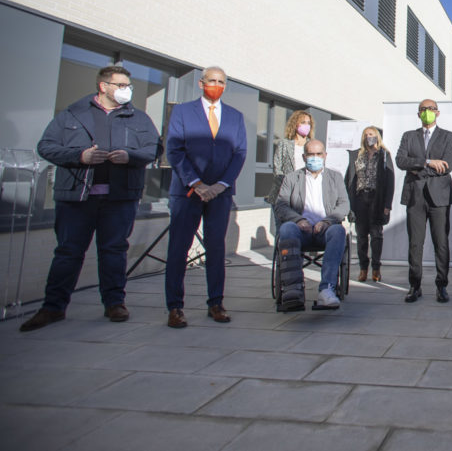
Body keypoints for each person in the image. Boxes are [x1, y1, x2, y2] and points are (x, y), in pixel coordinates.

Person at [20, 66, 162, 331]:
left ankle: (114, 303)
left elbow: (154, 148)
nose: (126, 90)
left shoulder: (138, 118)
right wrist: (80, 156)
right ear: (103, 86)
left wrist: (129, 156)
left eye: (127, 85)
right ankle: (53, 307)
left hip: (120, 198)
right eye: (120, 85)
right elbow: (46, 146)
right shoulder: (73, 114)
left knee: (114, 251)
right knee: (68, 252)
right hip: (77, 198)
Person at [163, 66, 247, 329]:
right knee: (179, 248)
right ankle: (175, 307)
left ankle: (216, 302)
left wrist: (221, 185)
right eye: (212, 80)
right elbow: (174, 150)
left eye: (221, 81)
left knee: (216, 248)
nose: (216, 85)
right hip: (188, 192)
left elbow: (240, 153)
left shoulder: (235, 116)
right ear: (201, 83)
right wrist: (197, 183)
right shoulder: (183, 112)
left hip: (220, 194)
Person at [274, 139, 349, 309]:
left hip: (325, 230)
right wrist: (299, 220)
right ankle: (293, 288)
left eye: (318, 154)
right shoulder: (292, 178)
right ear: (304, 156)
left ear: (325, 156)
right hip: (301, 231)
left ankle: (327, 289)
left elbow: (344, 204)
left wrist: (326, 221)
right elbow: (281, 205)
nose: (314, 158)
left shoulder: (335, 177)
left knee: (338, 231)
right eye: (311, 154)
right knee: (286, 228)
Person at [395, 100, 452, 303]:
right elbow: (401, 161)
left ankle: (442, 286)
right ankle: (415, 285)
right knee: (415, 243)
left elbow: (448, 165)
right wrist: (428, 162)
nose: (427, 112)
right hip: (415, 196)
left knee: (441, 243)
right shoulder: (409, 136)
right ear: (418, 113)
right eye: (423, 109)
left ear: (437, 113)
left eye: (430, 109)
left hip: (439, 197)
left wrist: (417, 168)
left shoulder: (448, 136)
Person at [345, 126, 394, 282]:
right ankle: (363, 268)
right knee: (361, 237)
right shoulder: (357, 155)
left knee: (376, 236)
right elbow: (349, 178)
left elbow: (390, 181)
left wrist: (387, 204)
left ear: (377, 137)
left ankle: (376, 268)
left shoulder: (384, 155)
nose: (368, 137)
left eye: (371, 134)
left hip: (377, 200)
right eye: (366, 135)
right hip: (360, 198)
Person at [266, 110, 314, 205]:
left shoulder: (312, 145)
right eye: (303, 122)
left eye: (309, 123)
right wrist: (287, 185)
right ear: (295, 124)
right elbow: (277, 167)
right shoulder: (284, 144)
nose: (306, 125)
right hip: (285, 192)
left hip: (306, 192)